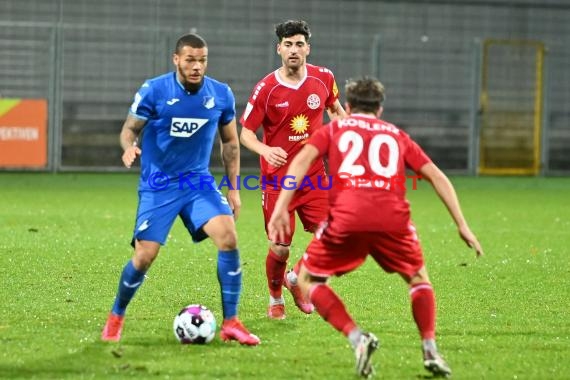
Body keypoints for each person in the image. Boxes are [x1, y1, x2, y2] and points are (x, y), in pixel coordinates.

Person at [268, 77, 483, 377]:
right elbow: (436, 176)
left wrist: (280, 207)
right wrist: (462, 225)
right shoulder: (396, 135)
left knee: (308, 280)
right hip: (392, 222)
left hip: (347, 219)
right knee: (418, 279)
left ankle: (357, 338)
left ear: (349, 106)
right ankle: (430, 349)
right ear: (380, 109)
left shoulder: (335, 129)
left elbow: (302, 161)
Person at [101, 33, 260, 346]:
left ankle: (231, 322)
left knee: (228, 238)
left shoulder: (220, 94)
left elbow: (230, 141)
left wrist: (234, 188)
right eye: (190, 59)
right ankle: (116, 317)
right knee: (145, 256)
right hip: (158, 184)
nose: (197, 66)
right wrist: (128, 147)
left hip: (197, 181)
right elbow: (129, 130)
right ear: (176, 59)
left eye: (202, 60)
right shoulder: (155, 90)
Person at [239, 20, 346, 320]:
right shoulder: (266, 89)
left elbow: (336, 110)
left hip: (314, 178)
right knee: (280, 248)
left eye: (299, 44)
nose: (294, 50)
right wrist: (265, 149)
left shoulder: (324, 78)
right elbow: (246, 132)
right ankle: (275, 298)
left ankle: (296, 278)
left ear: (308, 48)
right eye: (288, 44)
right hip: (277, 182)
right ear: (279, 49)